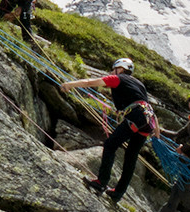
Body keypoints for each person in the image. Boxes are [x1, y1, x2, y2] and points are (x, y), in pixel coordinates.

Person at [61, 58, 158, 202]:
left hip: (136, 116)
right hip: (147, 121)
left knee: (110, 145)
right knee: (131, 157)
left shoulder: (117, 79)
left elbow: (90, 83)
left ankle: (101, 182)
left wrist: (70, 84)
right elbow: (149, 107)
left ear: (121, 69)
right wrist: (157, 133)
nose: (112, 72)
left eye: (114, 69)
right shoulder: (139, 84)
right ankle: (118, 193)